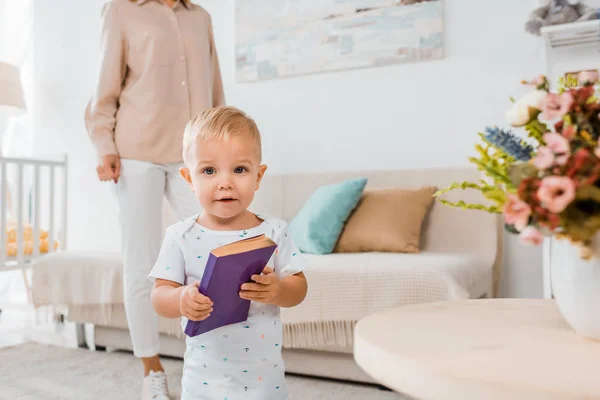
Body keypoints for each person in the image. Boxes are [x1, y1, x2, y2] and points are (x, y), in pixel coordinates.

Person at [84, 0, 225, 398]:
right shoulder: (121, 10)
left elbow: (214, 92)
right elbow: (105, 91)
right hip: (136, 151)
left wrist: (222, 151)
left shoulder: (200, 18)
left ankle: (208, 361)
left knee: (212, 255)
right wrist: (104, 146)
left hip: (193, 155)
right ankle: (151, 370)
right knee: (142, 261)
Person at [148, 106, 309, 400]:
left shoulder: (274, 231)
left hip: (264, 381)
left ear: (258, 177)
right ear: (188, 179)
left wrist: (278, 289)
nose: (225, 182)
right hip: (204, 382)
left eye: (240, 169)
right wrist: (182, 298)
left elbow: (299, 289)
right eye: (209, 171)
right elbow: (159, 297)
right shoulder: (180, 236)